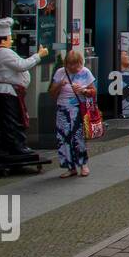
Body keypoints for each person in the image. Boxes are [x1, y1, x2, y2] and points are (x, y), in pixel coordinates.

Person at [0, 17, 47, 164]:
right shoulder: (3, 52)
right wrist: (38, 55)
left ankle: (9, 147)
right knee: (11, 120)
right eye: (9, 38)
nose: (12, 41)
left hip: (8, 91)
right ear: (3, 40)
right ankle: (15, 147)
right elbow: (22, 65)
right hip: (7, 92)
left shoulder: (1, 52)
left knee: (8, 120)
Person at [48, 49, 98, 177]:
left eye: (75, 64)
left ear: (80, 62)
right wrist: (59, 84)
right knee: (63, 137)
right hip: (62, 108)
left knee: (78, 137)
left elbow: (93, 91)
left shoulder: (85, 72)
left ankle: (83, 164)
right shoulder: (60, 73)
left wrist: (83, 90)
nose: (72, 67)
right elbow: (52, 93)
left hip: (77, 108)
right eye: (70, 64)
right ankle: (70, 167)